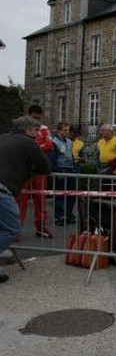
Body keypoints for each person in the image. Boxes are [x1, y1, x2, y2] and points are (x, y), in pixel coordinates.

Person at [0, 116, 52, 283]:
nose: (38, 134)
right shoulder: (29, 143)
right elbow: (45, 167)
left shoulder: (2, 137)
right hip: (3, 190)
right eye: (36, 130)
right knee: (12, 228)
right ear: (27, 130)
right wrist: (28, 173)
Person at [16, 105, 55, 239]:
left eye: (39, 118)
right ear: (29, 115)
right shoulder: (22, 128)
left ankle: (41, 227)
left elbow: (49, 145)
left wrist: (35, 147)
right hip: (24, 169)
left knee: (40, 198)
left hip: (38, 169)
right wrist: (37, 147)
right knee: (21, 199)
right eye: (34, 118)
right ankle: (16, 229)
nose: (37, 120)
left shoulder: (43, 129)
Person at [52, 122, 77, 226]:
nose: (67, 132)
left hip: (70, 169)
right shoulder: (54, 142)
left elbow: (70, 154)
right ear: (59, 130)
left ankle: (68, 214)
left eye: (68, 130)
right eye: (65, 130)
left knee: (72, 194)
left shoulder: (69, 141)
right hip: (60, 170)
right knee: (59, 195)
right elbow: (53, 158)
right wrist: (56, 170)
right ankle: (59, 216)